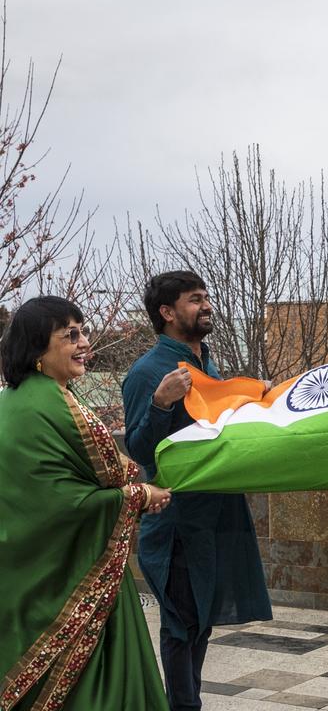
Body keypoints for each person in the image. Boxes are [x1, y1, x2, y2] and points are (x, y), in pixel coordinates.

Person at [0, 296, 171, 710]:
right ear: (39, 348)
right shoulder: (53, 403)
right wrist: (140, 494)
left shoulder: (15, 400)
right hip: (72, 573)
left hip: (29, 569)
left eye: (85, 332)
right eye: (70, 335)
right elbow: (73, 497)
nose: (83, 343)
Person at [122, 271, 272, 711]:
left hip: (218, 515)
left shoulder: (208, 366)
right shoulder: (148, 372)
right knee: (181, 623)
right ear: (168, 313)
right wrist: (160, 403)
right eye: (195, 299)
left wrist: (253, 399)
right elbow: (139, 450)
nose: (206, 306)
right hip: (176, 524)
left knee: (201, 621)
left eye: (206, 297)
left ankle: (189, 702)